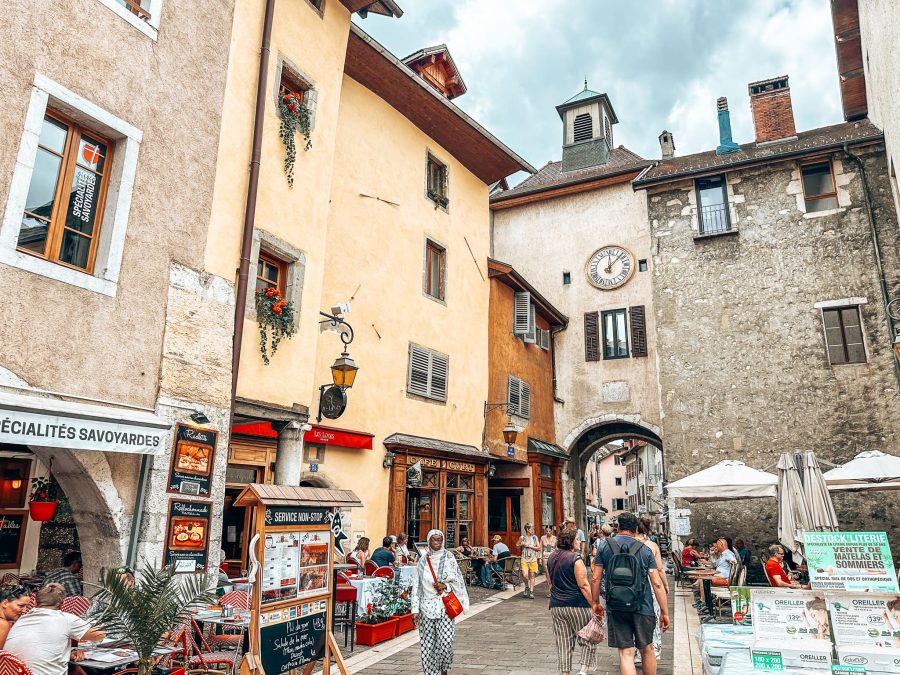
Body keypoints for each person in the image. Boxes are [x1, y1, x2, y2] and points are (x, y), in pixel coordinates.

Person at [591, 512, 670, 675]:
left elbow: (596, 578)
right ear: (635, 529)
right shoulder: (645, 549)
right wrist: (664, 612)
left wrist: (595, 603)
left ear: (618, 527)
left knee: (626, 653)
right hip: (643, 606)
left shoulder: (605, 546)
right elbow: (657, 583)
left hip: (616, 606)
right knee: (647, 649)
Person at [6, 583, 105, 675]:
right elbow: (99, 635)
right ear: (62, 604)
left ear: (36, 603)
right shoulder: (65, 619)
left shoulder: (22, 619)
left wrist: (68, 653)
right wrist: (102, 621)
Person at [411, 529, 469, 675]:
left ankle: (444, 670)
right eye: (433, 539)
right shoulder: (422, 561)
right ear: (429, 541)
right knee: (428, 645)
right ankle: (430, 673)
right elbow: (416, 586)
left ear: (442, 541)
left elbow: (458, 581)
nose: (436, 542)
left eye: (439, 540)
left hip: (444, 607)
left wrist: (446, 586)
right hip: (426, 608)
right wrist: (415, 610)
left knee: (446, 643)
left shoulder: (449, 557)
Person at [636, 516, 668, 663]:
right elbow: (660, 569)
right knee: (651, 618)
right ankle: (651, 651)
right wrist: (665, 584)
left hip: (632, 585)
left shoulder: (627, 544)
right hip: (649, 583)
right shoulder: (652, 545)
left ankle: (635, 653)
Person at [518, 523, 540, 599]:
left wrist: (530, 546)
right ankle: (527, 586)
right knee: (525, 575)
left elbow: (539, 548)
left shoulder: (535, 537)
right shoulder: (522, 537)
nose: (533, 530)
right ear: (527, 529)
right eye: (532, 528)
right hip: (524, 558)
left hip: (533, 558)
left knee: (532, 575)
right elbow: (517, 545)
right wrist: (522, 544)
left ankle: (531, 591)